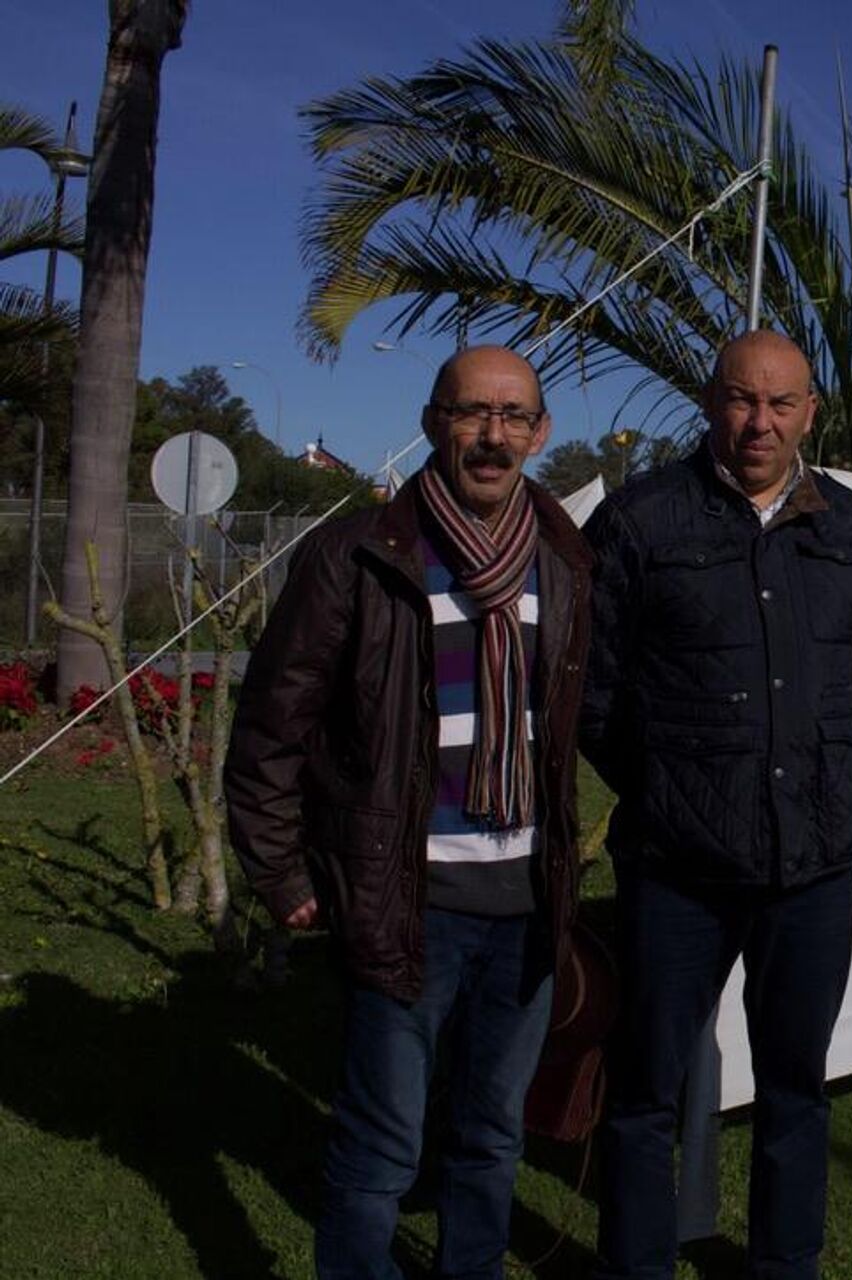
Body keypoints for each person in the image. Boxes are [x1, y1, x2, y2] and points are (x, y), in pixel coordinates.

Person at [226, 345, 594, 1279]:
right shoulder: (357, 555)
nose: (493, 435)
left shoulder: (564, 560)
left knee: (490, 1138)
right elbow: (271, 724)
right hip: (404, 905)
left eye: (514, 417)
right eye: (473, 412)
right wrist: (281, 871)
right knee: (380, 1149)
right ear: (433, 422)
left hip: (526, 906)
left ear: (541, 434)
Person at [582, 330, 852, 1279]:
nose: (759, 423)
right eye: (740, 400)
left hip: (810, 869)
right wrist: (673, 785)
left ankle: (782, 1264)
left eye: (781, 404)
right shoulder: (641, 523)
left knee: (796, 1089)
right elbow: (593, 692)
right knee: (645, 1092)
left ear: (810, 411)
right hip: (675, 873)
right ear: (711, 402)